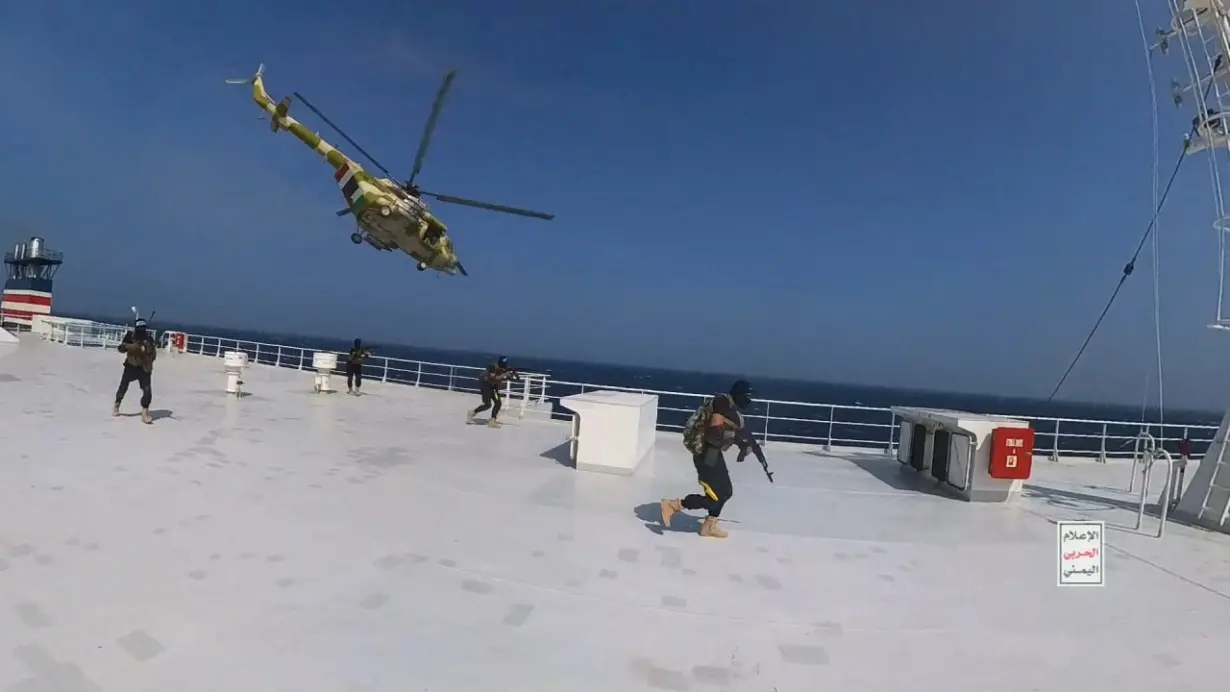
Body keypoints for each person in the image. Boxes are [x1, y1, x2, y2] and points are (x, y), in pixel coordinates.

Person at [660, 380, 761, 539]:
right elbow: (714, 433)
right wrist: (736, 437)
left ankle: (709, 525)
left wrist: (742, 444)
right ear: (739, 395)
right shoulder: (722, 403)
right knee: (715, 497)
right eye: (747, 397)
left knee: (726, 492)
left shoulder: (730, 407)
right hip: (706, 454)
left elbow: (725, 430)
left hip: (713, 453)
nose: (749, 401)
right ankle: (673, 505)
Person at [113, 317, 158, 424]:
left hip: (144, 368)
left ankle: (145, 412)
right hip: (131, 366)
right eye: (139, 329)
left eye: (143, 328)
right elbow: (121, 348)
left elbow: (153, 355)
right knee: (123, 386)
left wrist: (146, 349)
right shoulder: (130, 336)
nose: (141, 331)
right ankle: (117, 403)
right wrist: (133, 347)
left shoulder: (149, 339)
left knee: (147, 391)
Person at [466, 356, 517, 428]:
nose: (504, 366)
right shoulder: (492, 367)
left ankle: (492, 420)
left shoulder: (505, 367)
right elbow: (494, 377)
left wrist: (511, 374)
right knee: (487, 404)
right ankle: (472, 413)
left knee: (498, 402)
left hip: (494, 387)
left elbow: (508, 376)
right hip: (486, 385)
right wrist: (504, 374)